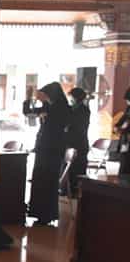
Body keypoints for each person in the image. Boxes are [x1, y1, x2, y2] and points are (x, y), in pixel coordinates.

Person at [27, 82, 71, 226]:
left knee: (47, 181)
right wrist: (29, 98)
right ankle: (38, 212)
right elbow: (29, 112)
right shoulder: (49, 106)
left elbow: (56, 127)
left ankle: (46, 214)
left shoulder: (62, 108)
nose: (43, 97)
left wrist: (46, 115)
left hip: (53, 150)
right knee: (40, 179)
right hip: (44, 149)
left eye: (45, 95)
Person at [66, 87, 90, 191]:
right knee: (71, 168)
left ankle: (77, 190)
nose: (70, 99)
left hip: (79, 143)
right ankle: (70, 189)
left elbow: (77, 127)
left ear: (75, 97)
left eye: (71, 97)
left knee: (78, 168)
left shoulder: (83, 110)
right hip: (73, 142)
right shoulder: (74, 108)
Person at [115, 87, 130, 175]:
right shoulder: (128, 108)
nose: (127, 102)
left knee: (126, 162)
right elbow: (123, 118)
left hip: (127, 139)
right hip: (125, 139)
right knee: (124, 161)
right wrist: (117, 126)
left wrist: (122, 127)